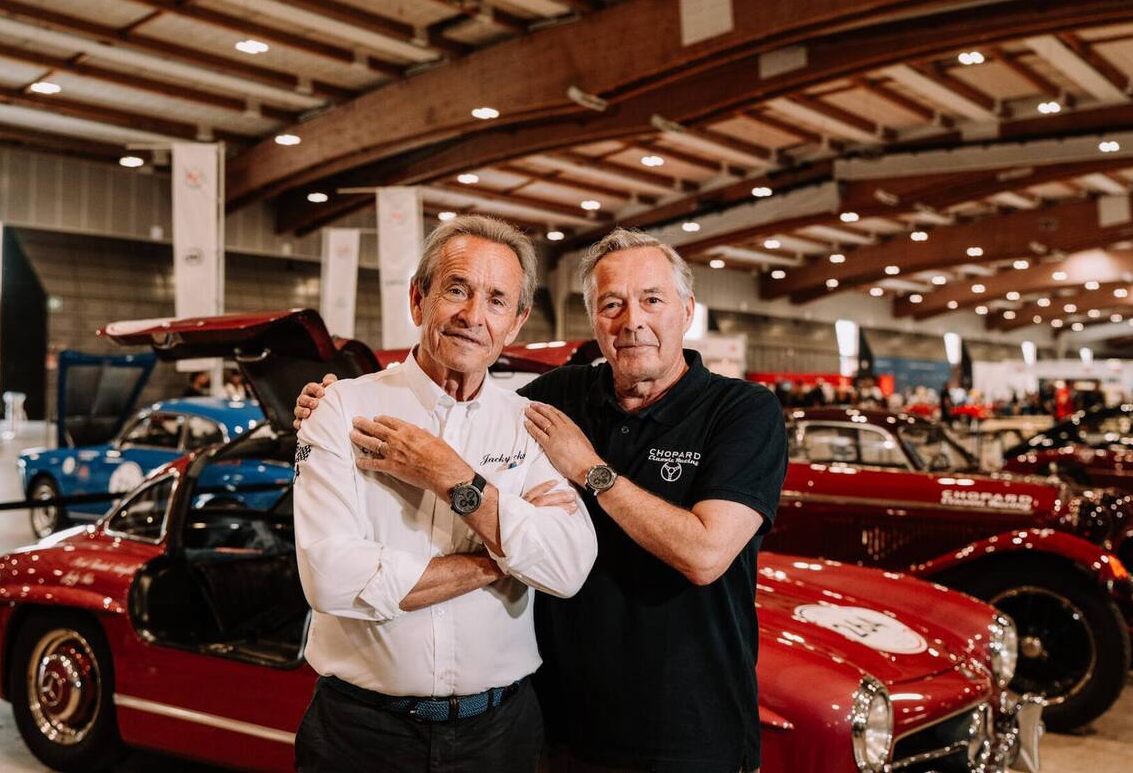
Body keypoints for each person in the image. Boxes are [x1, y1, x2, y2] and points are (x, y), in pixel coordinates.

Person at [297, 227, 787, 773]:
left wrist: (583, 472)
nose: (633, 321)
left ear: (687, 309)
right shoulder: (548, 402)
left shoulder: (741, 411)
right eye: (611, 304)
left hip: (687, 729)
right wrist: (326, 406)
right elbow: (332, 577)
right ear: (418, 298)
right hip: (555, 727)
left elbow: (694, 556)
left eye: (652, 300)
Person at [292, 215, 598, 773]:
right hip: (361, 735)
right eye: (456, 289)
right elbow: (331, 578)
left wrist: (454, 479)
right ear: (418, 299)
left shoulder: (529, 425)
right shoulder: (342, 410)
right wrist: (502, 557)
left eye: (497, 300)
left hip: (501, 736)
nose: (473, 316)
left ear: (517, 321)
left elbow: (570, 565)